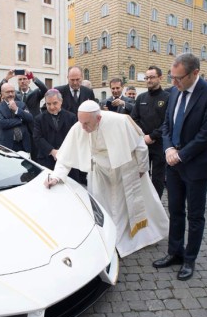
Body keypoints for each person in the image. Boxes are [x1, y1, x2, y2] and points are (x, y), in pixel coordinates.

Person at [44, 100, 169, 258]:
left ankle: (134, 239)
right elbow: (65, 157)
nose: (83, 128)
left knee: (126, 207)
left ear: (99, 118)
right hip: (100, 172)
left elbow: (140, 146)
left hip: (124, 169)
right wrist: (56, 177)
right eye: (80, 122)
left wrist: (142, 169)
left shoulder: (121, 121)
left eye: (86, 123)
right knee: (103, 207)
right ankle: (109, 238)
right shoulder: (80, 126)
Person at [153, 53, 207, 281]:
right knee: (175, 211)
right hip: (173, 164)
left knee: (195, 216)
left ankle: (189, 259)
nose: (173, 83)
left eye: (178, 78)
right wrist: (168, 150)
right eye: (172, 78)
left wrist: (180, 155)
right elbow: (166, 126)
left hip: (196, 166)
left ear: (195, 73)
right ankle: (175, 252)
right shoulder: (174, 91)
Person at [130, 66, 170, 198]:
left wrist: (153, 136)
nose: (149, 80)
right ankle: (144, 202)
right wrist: (143, 135)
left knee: (158, 179)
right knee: (142, 175)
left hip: (159, 145)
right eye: (147, 77)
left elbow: (168, 122)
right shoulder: (141, 98)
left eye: (152, 77)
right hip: (142, 144)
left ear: (160, 78)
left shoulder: (168, 98)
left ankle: (156, 203)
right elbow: (134, 119)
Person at [0, 69, 48, 159]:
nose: (23, 81)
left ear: (28, 80)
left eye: (24, 79)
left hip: (33, 127)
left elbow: (45, 90)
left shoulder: (35, 93)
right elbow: (0, 90)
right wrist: (7, 78)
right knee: (22, 154)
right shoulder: (14, 93)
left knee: (35, 153)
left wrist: (33, 77)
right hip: (19, 128)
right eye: (20, 79)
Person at [33, 89, 79, 182]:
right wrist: (52, 151)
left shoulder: (71, 117)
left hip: (68, 160)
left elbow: (74, 138)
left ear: (61, 102)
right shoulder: (39, 119)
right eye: (48, 104)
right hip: (46, 160)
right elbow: (37, 138)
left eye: (55, 103)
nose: (52, 107)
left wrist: (63, 152)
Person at [0, 83, 33, 153]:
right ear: (2, 94)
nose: (11, 94)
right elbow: (2, 123)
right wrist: (20, 120)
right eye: (8, 92)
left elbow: (30, 118)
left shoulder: (21, 104)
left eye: (12, 91)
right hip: (5, 145)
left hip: (23, 145)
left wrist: (16, 109)